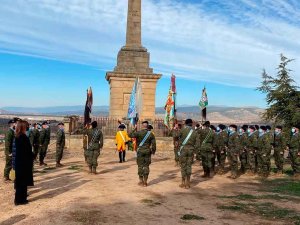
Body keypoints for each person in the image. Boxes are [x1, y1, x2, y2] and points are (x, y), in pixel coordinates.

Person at [129, 121, 156, 187]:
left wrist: (134, 128)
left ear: (142, 126)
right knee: (146, 166)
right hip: (147, 151)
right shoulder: (151, 134)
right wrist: (153, 151)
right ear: (147, 126)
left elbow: (129, 135)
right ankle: (145, 181)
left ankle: (141, 180)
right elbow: (154, 144)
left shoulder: (138, 133)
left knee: (140, 165)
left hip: (140, 151)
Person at [14, 120, 34, 205]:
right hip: (23, 163)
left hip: (22, 163)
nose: (27, 128)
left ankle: (22, 198)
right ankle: (19, 200)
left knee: (22, 182)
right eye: (26, 126)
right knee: (21, 182)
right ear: (22, 127)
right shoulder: (22, 137)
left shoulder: (20, 136)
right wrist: (32, 155)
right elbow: (25, 151)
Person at [174, 119, 197, 189]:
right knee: (189, 165)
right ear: (191, 124)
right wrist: (195, 151)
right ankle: (188, 182)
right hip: (191, 150)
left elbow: (175, 136)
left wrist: (175, 129)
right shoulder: (195, 132)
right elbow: (197, 142)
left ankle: (183, 182)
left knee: (183, 165)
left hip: (183, 150)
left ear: (186, 124)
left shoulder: (182, 130)